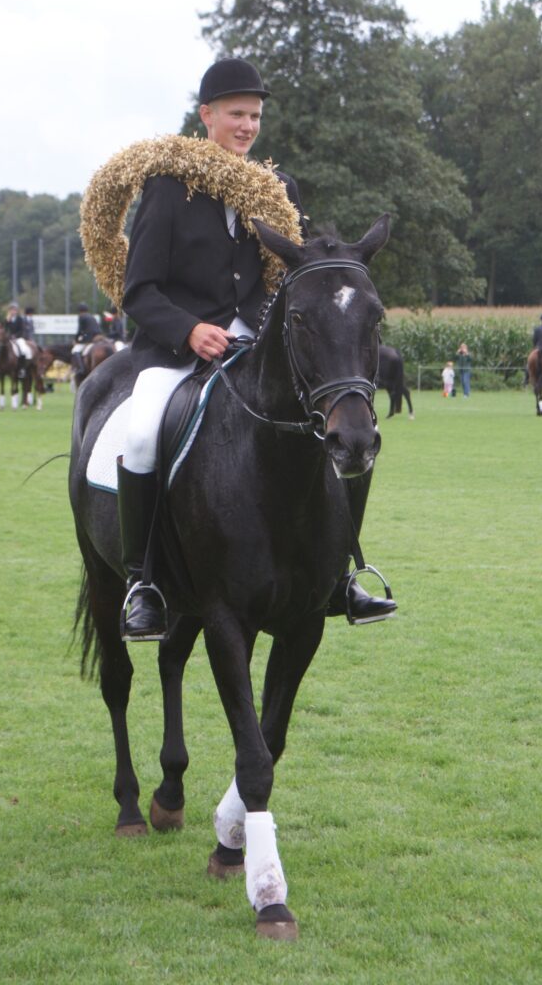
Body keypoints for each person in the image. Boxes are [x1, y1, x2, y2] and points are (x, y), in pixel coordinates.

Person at [117, 56, 397, 641]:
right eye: (236, 114)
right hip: (174, 353)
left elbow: (296, 275)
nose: (247, 126)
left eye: (255, 116)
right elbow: (138, 291)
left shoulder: (278, 187)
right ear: (206, 115)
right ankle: (142, 584)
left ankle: (341, 574)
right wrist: (190, 328)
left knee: (345, 427)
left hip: (253, 345)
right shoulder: (168, 188)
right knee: (142, 431)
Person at [71, 302, 102, 377]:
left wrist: (76, 340)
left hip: (90, 338)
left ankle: (81, 369)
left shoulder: (81, 316)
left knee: (75, 350)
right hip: (98, 337)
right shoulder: (91, 316)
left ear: (80, 310)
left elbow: (80, 330)